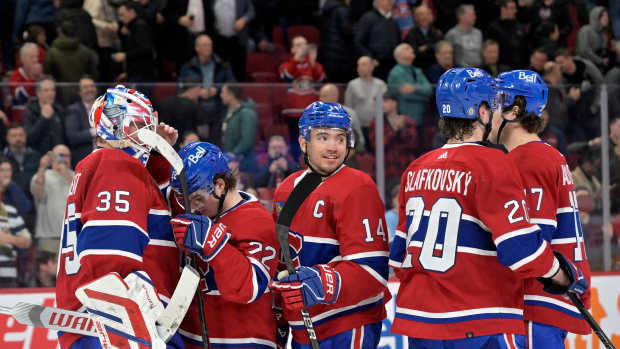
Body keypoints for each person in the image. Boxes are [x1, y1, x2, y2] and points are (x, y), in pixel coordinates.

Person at [389, 68, 587, 348]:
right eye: (493, 105)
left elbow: (398, 258)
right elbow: (522, 249)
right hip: (478, 315)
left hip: (419, 319)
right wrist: (561, 274)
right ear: (482, 112)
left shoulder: (414, 169)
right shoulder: (494, 164)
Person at [55, 86, 188, 348]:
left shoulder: (99, 164)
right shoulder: (116, 164)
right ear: (117, 126)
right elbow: (110, 258)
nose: (149, 135)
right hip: (112, 327)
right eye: (140, 125)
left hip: (89, 322)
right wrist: (134, 327)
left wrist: (159, 158)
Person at [270, 101, 390, 348]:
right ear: (304, 143)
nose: (333, 147)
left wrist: (321, 282)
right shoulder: (286, 190)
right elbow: (282, 262)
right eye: (323, 137)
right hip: (304, 327)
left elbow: (373, 271)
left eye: (340, 138)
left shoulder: (358, 187)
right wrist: (278, 320)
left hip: (347, 324)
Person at [491, 70, 593, 346]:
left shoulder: (529, 160)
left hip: (537, 301)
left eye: (495, 103)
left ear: (514, 111)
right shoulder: (544, 155)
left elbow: (532, 244)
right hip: (547, 298)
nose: (488, 112)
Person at [167, 141, 279, 348]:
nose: (191, 208)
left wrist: (213, 243)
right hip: (190, 338)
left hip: (242, 342)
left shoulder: (257, 220)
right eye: (184, 201)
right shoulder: (202, 207)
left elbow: (250, 288)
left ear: (220, 185)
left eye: (197, 199)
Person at [30, 144, 73, 254]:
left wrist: (66, 175)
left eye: (66, 156)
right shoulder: (43, 175)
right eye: (60, 156)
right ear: (52, 158)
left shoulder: (77, 176)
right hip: (49, 238)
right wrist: (42, 167)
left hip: (72, 238)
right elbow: (37, 192)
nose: (63, 159)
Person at [354, 0, 401, 80]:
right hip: (375, 65)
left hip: (392, 65)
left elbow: (398, 42)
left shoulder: (393, 21)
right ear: (378, 2)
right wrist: (370, 58)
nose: (391, 2)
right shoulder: (368, 18)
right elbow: (358, 42)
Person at [220, 83, 258, 173]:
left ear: (231, 95)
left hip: (244, 164)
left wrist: (233, 154)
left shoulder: (247, 113)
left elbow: (247, 140)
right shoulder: (229, 112)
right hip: (231, 163)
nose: (220, 95)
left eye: (222, 92)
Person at [22, 76, 64, 155]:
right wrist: (43, 118)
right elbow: (29, 138)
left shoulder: (59, 110)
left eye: (53, 90)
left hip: (57, 156)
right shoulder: (30, 111)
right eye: (46, 90)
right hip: (36, 156)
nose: (51, 93)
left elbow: (63, 137)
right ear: (38, 93)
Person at [64, 76, 97, 167]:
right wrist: (95, 131)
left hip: (106, 156)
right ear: (79, 92)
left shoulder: (105, 108)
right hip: (85, 159)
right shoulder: (73, 110)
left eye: (92, 86)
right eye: (85, 87)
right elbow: (72, 137)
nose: (89, 89)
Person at [2, 125, 41, 200]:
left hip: (34, 199)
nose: (18, 138)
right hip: (9, 199)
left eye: (21, 135)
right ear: (7, 138)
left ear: (26, 136)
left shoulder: (36, 156)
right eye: (14, 136)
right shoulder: (1, 157)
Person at [9, 43, 42, 123]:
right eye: (32, 57)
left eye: (36, 56)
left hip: (38, 119)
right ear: (22, 59)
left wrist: (38, 77)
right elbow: (20, 96)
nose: (35, 60)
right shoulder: (15, 76)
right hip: (20, 120)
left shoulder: (41, 76)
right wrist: (33, 78)